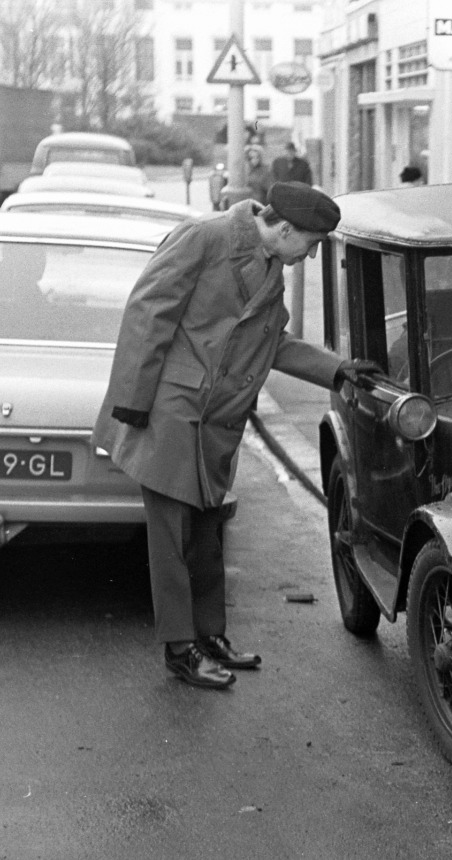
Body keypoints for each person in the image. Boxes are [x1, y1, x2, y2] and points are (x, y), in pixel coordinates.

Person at [93, 182, 379, 690]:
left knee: (207, 531)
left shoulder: (270, 265)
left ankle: (209, 636)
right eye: (310, 244)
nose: (309, 255)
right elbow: (147, 311)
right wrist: (133, 404)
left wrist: (338, 371)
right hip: (169, 410)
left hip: (215, 418)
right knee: (172, 537)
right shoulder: (205, 238)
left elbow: (275, 342)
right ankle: (180, 650)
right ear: (285, 229)